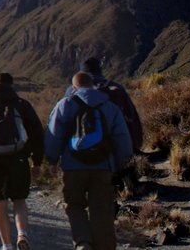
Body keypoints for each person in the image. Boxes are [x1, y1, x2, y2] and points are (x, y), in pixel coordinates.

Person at [46, 72, 134, 249]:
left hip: (72, 167)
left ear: (74, 87)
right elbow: (122, 139)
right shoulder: (110, 107)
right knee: (101, 210)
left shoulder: (65, 105)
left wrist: (51, 161)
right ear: (93, 85)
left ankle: (83, 241)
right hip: (103, 167)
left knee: (74, 206)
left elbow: (54, 135)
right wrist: (120, 166)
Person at [0, 73, 45, 250]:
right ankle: (22, 234)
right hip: (18, 159)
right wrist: (37, 162)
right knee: (19, 200)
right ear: (12, 85)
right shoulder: (22, 105)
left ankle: (6, 245)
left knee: (0, 202)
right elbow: (37, 134)